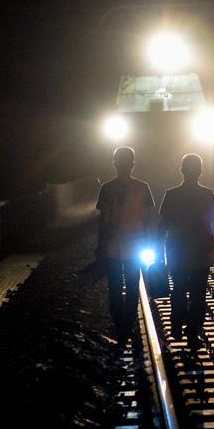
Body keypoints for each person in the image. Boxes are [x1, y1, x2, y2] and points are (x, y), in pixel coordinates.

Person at [158, 154, 214, 351]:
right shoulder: (208, 194)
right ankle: (193, 334)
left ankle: (177, 324)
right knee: (198, 294)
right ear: (200, 171)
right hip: (201, 250)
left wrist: (157, 246)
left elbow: (164, 224)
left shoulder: (171, 194)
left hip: (177, 249)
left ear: (182, 170)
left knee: (178, 289)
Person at [96, 146, 156, 345]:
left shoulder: (109, 188)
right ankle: (123, 322)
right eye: (121, 162)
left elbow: (103, 221)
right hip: (123, 246)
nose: (123, 166)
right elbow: (148, 219)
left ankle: (125, 323)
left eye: (125, 162)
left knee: (124, 286)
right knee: (122, 286)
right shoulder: (138, 188)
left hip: (128, 246)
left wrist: (101, 246)